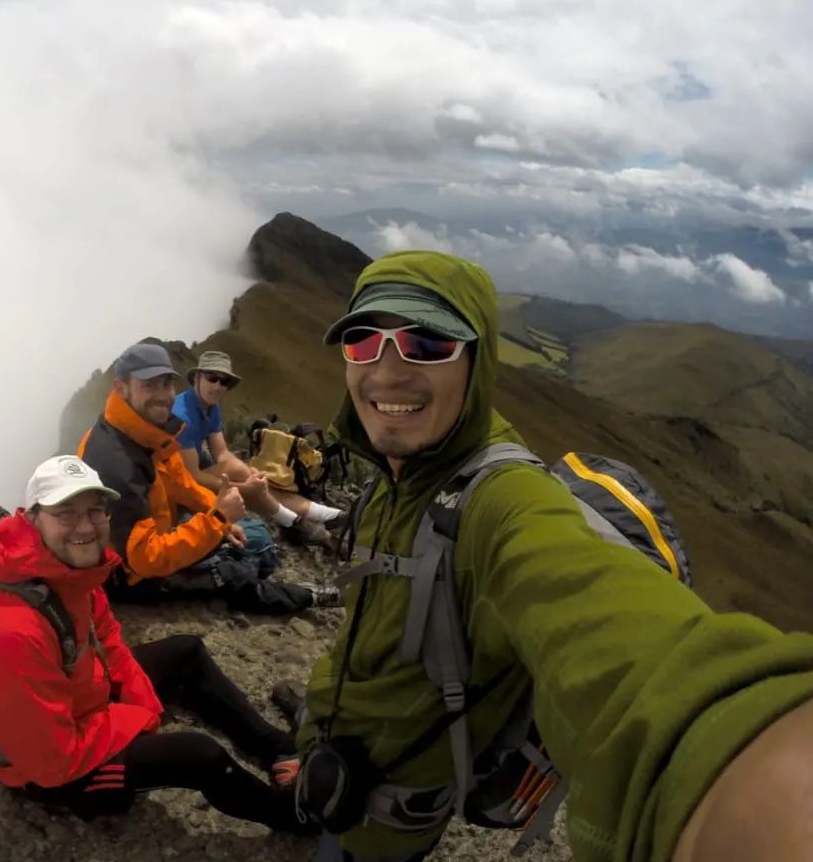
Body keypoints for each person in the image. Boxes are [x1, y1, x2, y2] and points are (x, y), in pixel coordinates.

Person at [292, 250, 813, 862]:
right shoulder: (394, 475)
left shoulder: (503, 500)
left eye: (427, 344)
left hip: (383, 825)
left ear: (477, 360)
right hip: (333, 762)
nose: (385, 371)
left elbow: (611, 629)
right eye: (361, 342)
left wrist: (736, 761)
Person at [0, 454, 315, 834]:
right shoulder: (10, 632)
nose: (85, 525)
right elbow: (51, 760)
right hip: (52, 772)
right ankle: (292, 816)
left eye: (96, 511)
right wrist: (133, 719)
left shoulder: (67, 571)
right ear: (31, 519)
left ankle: (277, 747)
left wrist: (140, 699)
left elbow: (109, 638)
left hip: (77, 700)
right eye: (66, 512)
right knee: (199, 755)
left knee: (186, 651)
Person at [79, 342, 339, 613]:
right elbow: (144, 559)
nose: (162, 395)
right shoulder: (116, 462)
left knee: (257, 539)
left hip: (158, 533)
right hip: (130, 574)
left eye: (166, 384)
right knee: (235, 570)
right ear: (122, 388)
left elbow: (182, 483)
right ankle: (311, 596)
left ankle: (281, 539)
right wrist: (217, 520)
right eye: (149, 385)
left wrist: (219, 518)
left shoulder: (146, 432)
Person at [173, 350, 343, 546]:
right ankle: (302, 520)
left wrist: (251, 474)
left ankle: (313, 518)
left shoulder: (211, 407)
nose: (218, 386)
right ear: (196, 378)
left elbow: (221, 454)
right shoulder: (183, 417)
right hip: (172, 483)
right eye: (212, 378)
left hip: (189, 473)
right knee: (244, 478)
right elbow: (191, 476)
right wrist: (245, 487)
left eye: (224, 382)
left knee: (249, 476)